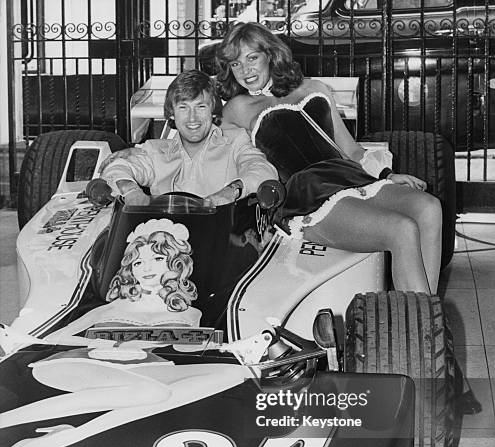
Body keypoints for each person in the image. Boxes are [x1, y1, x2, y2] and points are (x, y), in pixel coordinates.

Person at [215, 22, 443, 294]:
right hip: (307, 195)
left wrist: (388, 175)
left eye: (252, 58)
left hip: (351, 178)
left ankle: (424, 317)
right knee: (401, 229)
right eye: (236, 64)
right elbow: (226, 160)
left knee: (429, 208)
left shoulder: (315, 88)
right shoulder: (237, 109)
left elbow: (352, 150)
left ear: (271, 55)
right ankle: (420, 329)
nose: (245, 70)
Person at [98, 69, 277, 208]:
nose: (192, 118)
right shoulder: (155, 151)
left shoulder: (236, 142)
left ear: (213, 111)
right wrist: (131, 191)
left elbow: (262, 170)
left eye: (201, 107)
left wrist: (232, 190)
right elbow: (117, 167)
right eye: (183, 108)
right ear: (172, 114)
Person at [45, 219, 202, 340]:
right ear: (130, 267)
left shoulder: (193, 313)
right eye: (138, 262)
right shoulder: (111, 308)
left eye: (158, 259)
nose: (146, 269)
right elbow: (55, 339)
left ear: (176, 263)